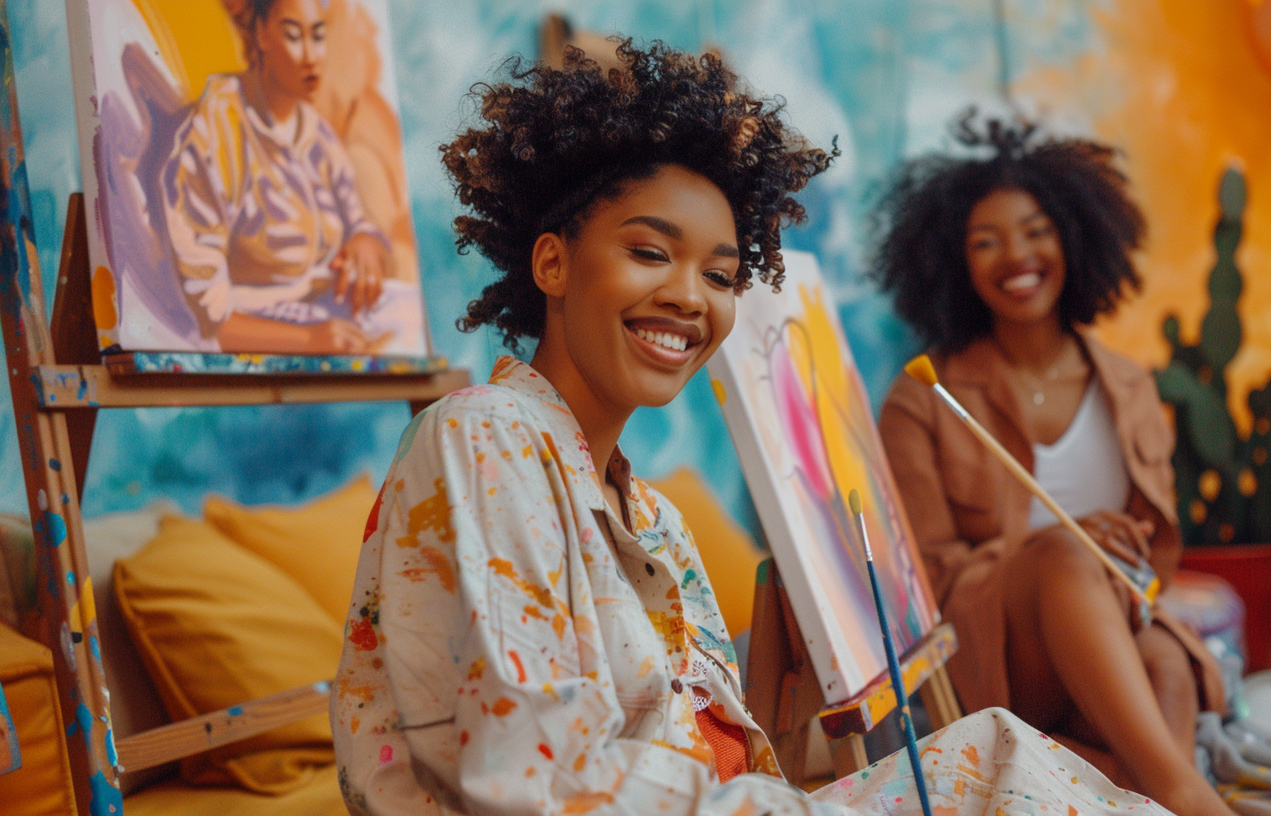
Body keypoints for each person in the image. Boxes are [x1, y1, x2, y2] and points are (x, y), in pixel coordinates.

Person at [330, 43, 1177, 816]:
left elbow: (725, 756)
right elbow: (533, 776)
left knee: (1000, 750)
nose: (691, 298)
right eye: (651, 252)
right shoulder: (483, 437)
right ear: (552, 261)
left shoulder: (654, 518)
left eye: (723, 274)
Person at [875, 116, 1234, 816]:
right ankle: (1184, 792)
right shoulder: (925, 395)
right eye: (986, 241)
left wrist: (1121, 568)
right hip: (995, 651)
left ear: (1076, 236)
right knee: (1066, 556)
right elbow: (929, 574)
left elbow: (1152, 556)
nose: (1017, 255)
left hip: (1112, 636)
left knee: (1166, 659)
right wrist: (1056, 551)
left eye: (1037, 230)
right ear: (954, 261)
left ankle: (1134, 795)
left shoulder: (1129, 389)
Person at [164, 0, 407, 354]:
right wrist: (309, 340)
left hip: (322, 308)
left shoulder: (314, 132)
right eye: (293, 36)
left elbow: (357, 218)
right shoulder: (215, 133)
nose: (312, 56)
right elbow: (206, 317)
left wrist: (364, 241)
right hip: (257, 326)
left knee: (405, 316)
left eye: (318, 36)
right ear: (260, 33)